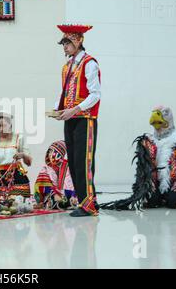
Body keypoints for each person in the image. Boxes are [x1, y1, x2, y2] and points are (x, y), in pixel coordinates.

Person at [101, 106, 176, 210]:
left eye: (160, 123)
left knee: (173, 203)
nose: (158, 127)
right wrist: (146, 181)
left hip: (174, 180)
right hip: (154, 180)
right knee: (152, 201)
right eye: (156, 125)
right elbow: (142, 167)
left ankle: (172, 196)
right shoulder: (148, 141)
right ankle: (159, 197)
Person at [54, 24, 101, 217]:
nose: (64, 47)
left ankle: (89, 204)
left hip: (85, 119)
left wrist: (74, 109)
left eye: (67, 42)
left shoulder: (90, 63)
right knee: (73, 161)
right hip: (71, 118)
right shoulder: (67, 67)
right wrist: (57, 109)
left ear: (78, 41)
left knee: (84, 161)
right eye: (63, 43)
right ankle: (85, 201)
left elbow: (95, 94)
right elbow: (63, 92)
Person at [0, 112, 32, 201]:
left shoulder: (19, 138)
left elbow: (29, 162)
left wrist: (23, 155)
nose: (1, 128)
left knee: (18, 204)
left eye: (3, 125)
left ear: (10, 125)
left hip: (16, 176)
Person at [34, 140, 78, 210]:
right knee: (53, 200)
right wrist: (54, 193)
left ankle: (64, 202)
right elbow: (42, 186)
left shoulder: (68, 166)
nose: (50, 154)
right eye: (49, 151)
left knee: (68, 199)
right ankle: (53, 202)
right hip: (51, 194)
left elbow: (72, 184)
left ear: (60, 153)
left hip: (66, 194)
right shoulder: (46, 168)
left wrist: (73, 195)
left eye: (53, 151)